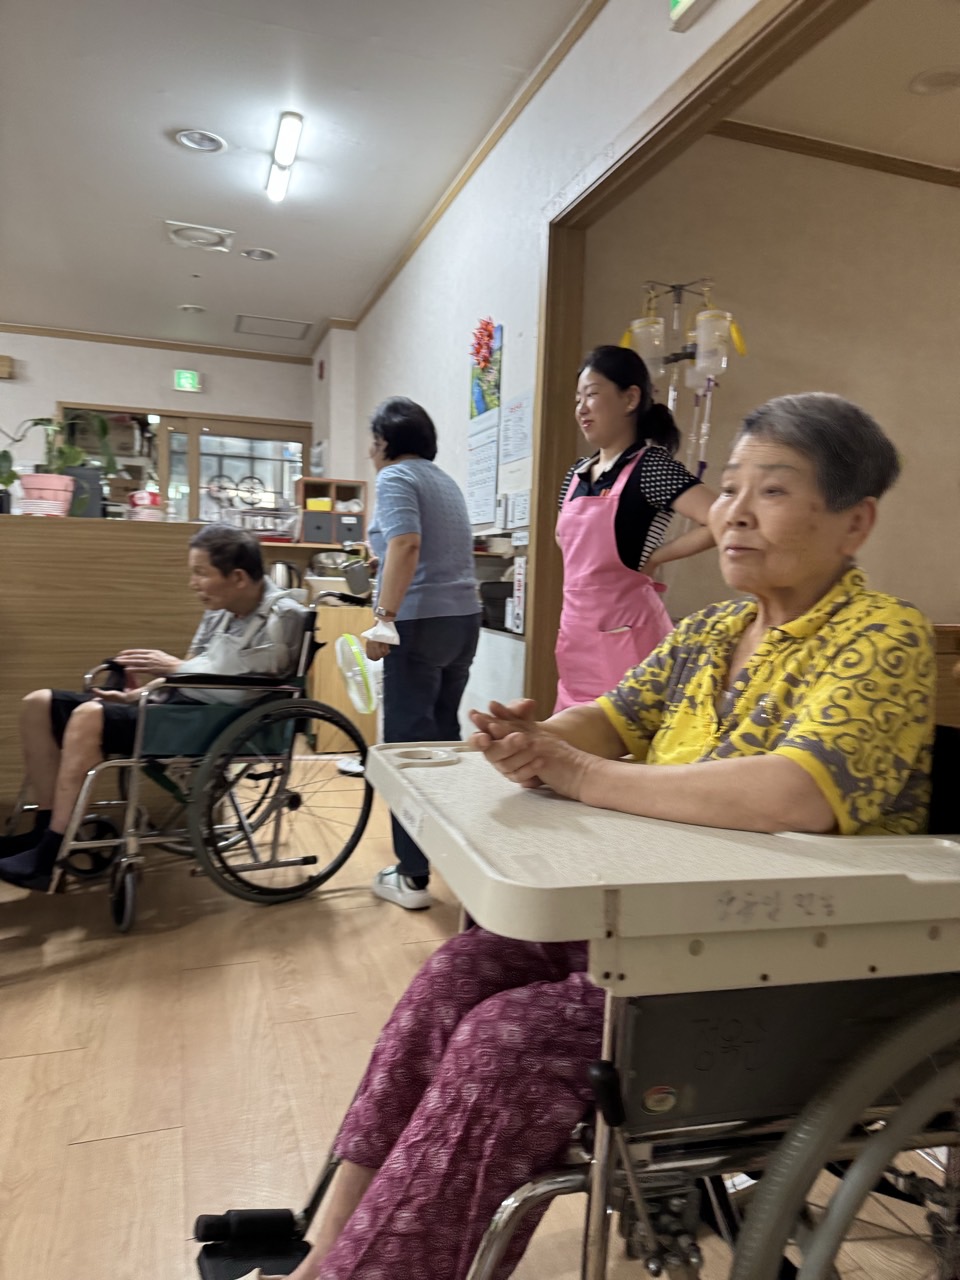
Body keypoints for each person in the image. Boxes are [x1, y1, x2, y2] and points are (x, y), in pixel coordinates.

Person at [264, 394, 934, 1280]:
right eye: (731, 488)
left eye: (771, 491)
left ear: (855, 522)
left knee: (507, 1043)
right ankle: (329, 1249)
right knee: (455, 975)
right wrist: (536, 741)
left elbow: (797, 793)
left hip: (778, 964)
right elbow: (613, 717)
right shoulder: (714, 630)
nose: (733, 512)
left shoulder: (884, 636)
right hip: (663, 931)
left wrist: (579, 774)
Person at [0, 524, 304, 892]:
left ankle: (51, 854)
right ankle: (43, 831)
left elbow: (245, 690)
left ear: (238, 577)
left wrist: (173, 668)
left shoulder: (284, 616)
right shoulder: (220, 609)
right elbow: (194, 668)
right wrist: (140, 693)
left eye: (201, 573)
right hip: (178, 706)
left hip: (214, 724)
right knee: (39, 705)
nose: (193, 583)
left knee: (87, 716)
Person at [364, 397, 481, 911]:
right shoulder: (444, 482)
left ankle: (412, 876)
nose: (370, 451)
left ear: (385, 442)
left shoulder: (395, 477)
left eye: (372, 441)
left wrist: (383, 619)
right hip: (463, 621)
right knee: (442, 744)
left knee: (407, 751)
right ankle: (449, 856)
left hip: (419, 623)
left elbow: (406, 545)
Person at [555, 344, 717, 711]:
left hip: (629, 641)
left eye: (592, 394)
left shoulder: (650, 467)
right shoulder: (576, 474)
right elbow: (563, 539)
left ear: (630, 398)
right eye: (578, 399)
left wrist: (657, 556)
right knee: (570, 734)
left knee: (625, 737)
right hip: (576, 637)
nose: (581, 408)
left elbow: (722, 519)